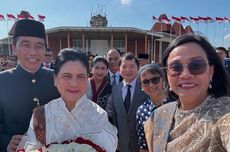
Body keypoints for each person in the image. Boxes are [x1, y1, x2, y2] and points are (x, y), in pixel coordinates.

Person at [144, 34, 230, 152]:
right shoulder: (158, 116)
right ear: (167, 74)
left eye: (196, 65)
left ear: (211, 71)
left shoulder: (224, 112)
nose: (185, 74)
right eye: (176, 67)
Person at [20, 48, 118, 151]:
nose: (74, 83)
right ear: (55, 79)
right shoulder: (41, 115)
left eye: (80, 77)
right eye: (67, 76)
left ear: (87, 78)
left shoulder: (99, 116)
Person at [0, 19, 60, 152]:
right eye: (25, 45)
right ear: (14, 48)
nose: (33, 52)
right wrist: (5, 143)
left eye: (39, 46)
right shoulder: (2, 81)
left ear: (45, 49)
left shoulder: (57, 78)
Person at [109, 52, 148, 152]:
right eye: (124, 66)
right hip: (122, 143)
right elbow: (114, 117)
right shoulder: (115, 90)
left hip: (143, 144)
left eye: (132, 66)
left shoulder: (146, 87)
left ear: (138, 68)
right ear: (119, 69)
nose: (128, 70)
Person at [136, 63, 172, 152]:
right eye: (146, 82)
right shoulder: (141, 111)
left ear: (163, 79)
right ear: (141, 86)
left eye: (155, 79)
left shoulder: (178, 102)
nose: (151, 85)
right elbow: (143, 145)